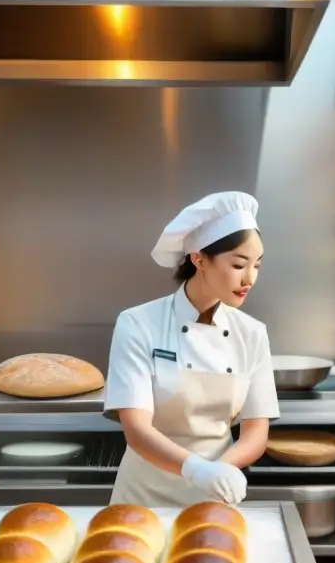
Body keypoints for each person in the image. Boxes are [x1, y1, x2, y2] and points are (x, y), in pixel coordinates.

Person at [103, 191, 279, 508]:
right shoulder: (138, 323)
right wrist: (197, 469)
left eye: (257, 265)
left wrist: (220, 471)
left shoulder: (252, 333)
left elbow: (256, 431)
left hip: (214, 495)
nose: (249, 278)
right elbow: (137, 430)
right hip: (143, 498)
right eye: (239, 264)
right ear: (198, 259)